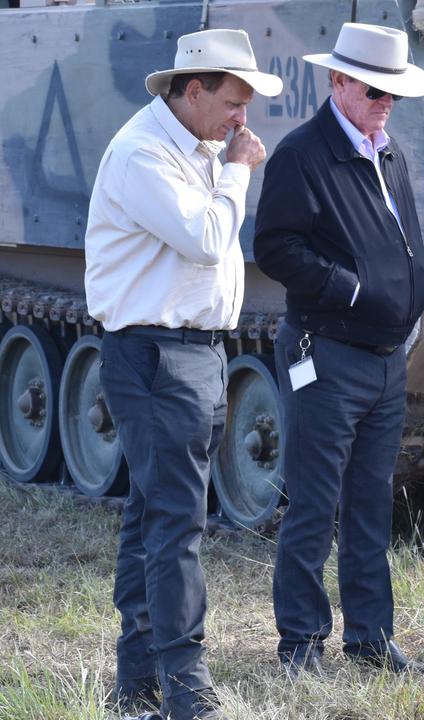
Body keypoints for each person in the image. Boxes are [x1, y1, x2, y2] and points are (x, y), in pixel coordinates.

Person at [85, 28, 278, 720]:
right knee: (176, 526)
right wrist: (239, 171)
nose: (241, 121)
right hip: (157, 354)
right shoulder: (145, 153)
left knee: (152, 520)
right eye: (233, 102)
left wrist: (226, 163)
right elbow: (203, 238)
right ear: (192, 91)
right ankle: (187, 690)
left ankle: (137, 682)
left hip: (190, 354)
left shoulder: (190, 146)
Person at [253, 22, 424, 677]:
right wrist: (351, 289)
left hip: (386, 358)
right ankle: (301, 644)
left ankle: (369, 638)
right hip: (327, 354)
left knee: (369, 503)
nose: (385, 100)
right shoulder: (303, 154)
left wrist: (419, 290)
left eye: (394, 91)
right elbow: (273, 246)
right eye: (372, 88)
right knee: (313, 503)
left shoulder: (390, 151)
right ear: (337, 81)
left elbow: (406, 238)